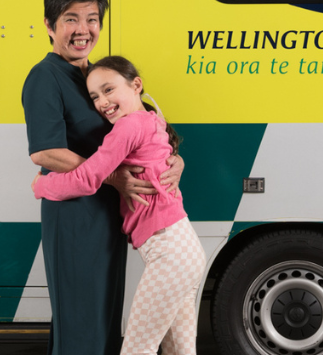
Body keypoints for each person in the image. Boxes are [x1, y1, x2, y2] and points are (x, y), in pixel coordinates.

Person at [21, 0, 184, 355]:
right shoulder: (44, 77)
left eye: (92, 18)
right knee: (81, 321)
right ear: (49, 25)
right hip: (75, 217)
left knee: (104, 320)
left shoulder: (98, 76)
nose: (83, 30)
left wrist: (175, 161)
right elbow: (44, 153)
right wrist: (115, 178)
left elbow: (142, 128)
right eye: (71, 19)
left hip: (108, 214)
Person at [32, 56, 206, 355]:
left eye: (109, 89)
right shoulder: (153, 118)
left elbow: (88, 178)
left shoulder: (127, 127)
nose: (103, 102)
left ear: (136, 84)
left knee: (138, 349)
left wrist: (42, 185)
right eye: (95, 97)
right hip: (185, 250)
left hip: (170, 254)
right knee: (180, 351)